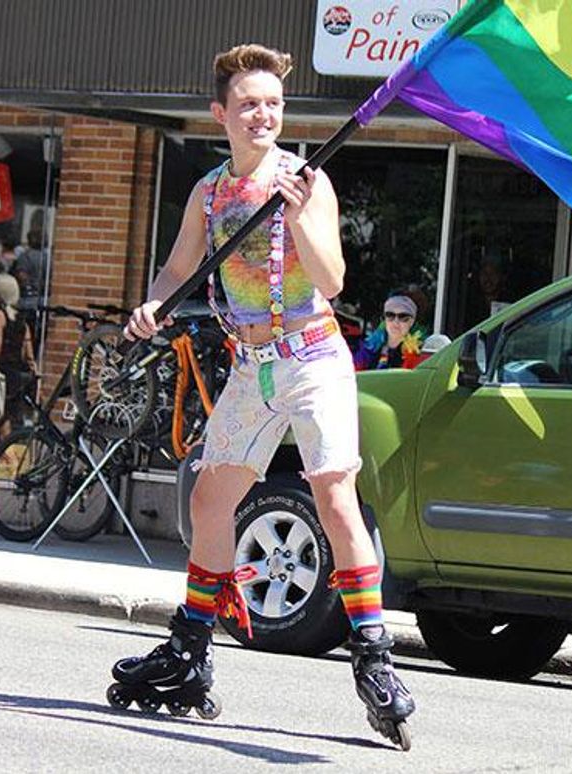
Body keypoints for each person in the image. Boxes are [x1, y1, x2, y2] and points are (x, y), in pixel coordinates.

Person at [110, 44, 415, 742]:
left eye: (272, 103)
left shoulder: (308, 181)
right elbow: (178, 269)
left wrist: (302, 216)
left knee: (334, 491)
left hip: (313, 356)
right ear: (221, 113)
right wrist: (152, 305)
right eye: (248, 104)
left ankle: (373, 656)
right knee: (209, 498)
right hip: (252, 367)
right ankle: (190, 648)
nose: (262, 114)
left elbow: (333, 282)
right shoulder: (210, 192)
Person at [0, 272, 37, 438]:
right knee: (8, 415)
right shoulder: (22, 320)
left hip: (1, 372)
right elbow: (28, 353)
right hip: (16, 374)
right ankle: (7, 453)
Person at [353, 293, 425, 370]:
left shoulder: (417, 352)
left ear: (411, 322)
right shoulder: (371, 347)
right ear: (384, 319)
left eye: (403, 317)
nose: (396, 321)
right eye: (390, 315)